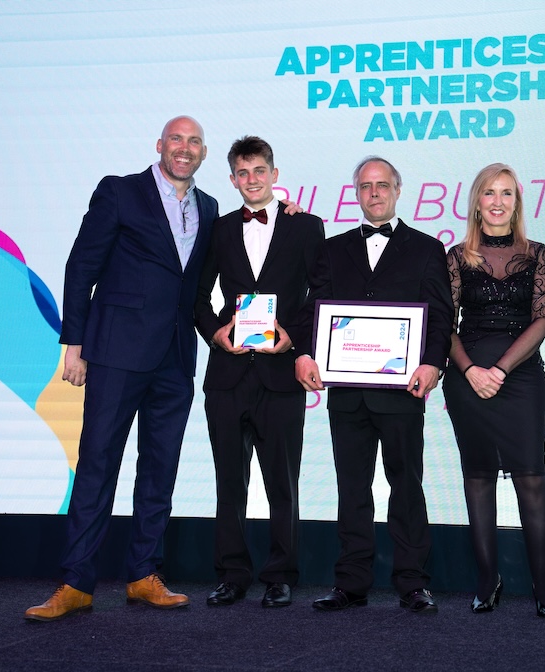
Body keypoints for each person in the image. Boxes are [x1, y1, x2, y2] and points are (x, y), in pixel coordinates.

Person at [25, 116, 218, 621]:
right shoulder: (119, 191)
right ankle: (75, 582)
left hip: (175, 356)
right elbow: (82, 264)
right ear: (159, 146)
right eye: (176, 139)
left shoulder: (211, 207)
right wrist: (74, 341)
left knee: (160, 468)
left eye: (194, 141)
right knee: (98, 463)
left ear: (203, 153)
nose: (184, 147)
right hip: (116, 351)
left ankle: (143, 575)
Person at [294, 156, 453, 614]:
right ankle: (351, 583)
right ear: (356, 194)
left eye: (383, 185)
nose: (375, 193)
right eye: (366, 186)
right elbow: (313, 306)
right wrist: (304, 353)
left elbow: (441, 315)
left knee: (407, 488)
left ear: (398, 190)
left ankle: (412, 584)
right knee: (352, 489)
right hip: (346, 393)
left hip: (404, 391)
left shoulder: (426, 248)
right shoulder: (332, 248)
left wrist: (432, 364)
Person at [194, 135, 324, 609]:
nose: (251, 180)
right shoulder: (219, 229)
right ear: (232, 179)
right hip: (227, 374)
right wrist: (215, 333)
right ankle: (232, 574)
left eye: (259, 171)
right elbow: (196, 296)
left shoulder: (307, 227)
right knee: (229, 482)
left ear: (274, 174)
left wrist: (296, 339)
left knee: (281, 482)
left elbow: (320, 295)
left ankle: (281, 574)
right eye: (242, 173)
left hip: (281, 374)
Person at [443, 163, 545, 618]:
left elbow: (542, 319)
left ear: (516, 202)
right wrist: (472, 369)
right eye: (489, 193)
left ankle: (544, 587)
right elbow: (444, 323)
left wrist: (502, 370)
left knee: (531, 478)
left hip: (521, 378)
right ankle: (487, 580)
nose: (497, 201)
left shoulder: (537, 253)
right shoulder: (454, 257)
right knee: (478, 477)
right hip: (466, 378)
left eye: (506, 193)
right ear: (476, 202)